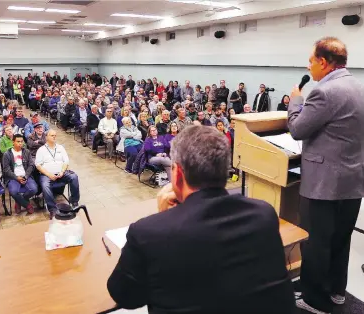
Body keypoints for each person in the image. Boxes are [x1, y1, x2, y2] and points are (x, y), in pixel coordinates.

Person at [107, 125, 295, 314]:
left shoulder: (148, 233)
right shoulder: (264, 214)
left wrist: (165, 219)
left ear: (178, 174)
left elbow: (125, 296)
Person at [288, 37, 364, 314]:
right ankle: (336, 291)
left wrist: (296, 100)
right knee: (340, 239)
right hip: (352, 181)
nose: (309, 66)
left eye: (311, 61)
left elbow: (297, 129)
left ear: (323, 62)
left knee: (316, 242)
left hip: (323, 184)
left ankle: (314, 299)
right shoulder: (358, 86)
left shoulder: (324, 92)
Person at [35, 130, 80, 218]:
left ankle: (74, 201)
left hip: (61, 173)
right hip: (47, 175)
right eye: (52, 135)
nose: (54, 137)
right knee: (45, 185)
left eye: (55, 135)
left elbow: (66, 161)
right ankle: (52, 209)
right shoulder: (41, 150)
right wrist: (49, 174)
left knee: (74, 177)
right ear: (46, 137)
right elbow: (38, 165)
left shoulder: (60, 148)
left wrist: (62, 171)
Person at [3, 134, 38, 215]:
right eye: (18, 141)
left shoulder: (26, 152)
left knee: (34, 189)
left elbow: (31, 165)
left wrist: (25, 176)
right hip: (13, 177)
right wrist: (16, 177)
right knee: (13, 192)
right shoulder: (7, 154)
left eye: (22, 142)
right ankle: (27, 205)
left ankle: (19, 201)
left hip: (26, 176)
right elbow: (6, 169)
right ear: (13, 142)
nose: (20, 143)